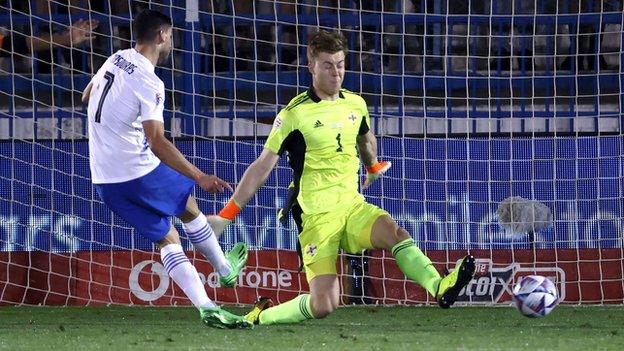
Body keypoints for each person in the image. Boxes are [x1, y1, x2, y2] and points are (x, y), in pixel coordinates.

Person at [208, 29, 476, 325]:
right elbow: (261, 167)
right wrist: (227, 215)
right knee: (324, 303)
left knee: (395, 233)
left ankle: (439, 287)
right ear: (311, 66)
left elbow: (365, 139)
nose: (336, 72)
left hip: (351, 206)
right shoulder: (294, 115)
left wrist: (372, 166)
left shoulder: (355, 104)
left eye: (340, 64)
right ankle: (258, 317)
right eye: (327, 65)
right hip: (317, 217)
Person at [82, 9, 251, 329]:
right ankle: (226, 271)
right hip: (137, 170)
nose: (171, 41)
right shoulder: (150, 81)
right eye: (171, 35)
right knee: (188, 204)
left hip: (105, 179)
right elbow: (157, 140)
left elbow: (87, 95)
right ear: (161, 36)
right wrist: (199, 176)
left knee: (168, 239)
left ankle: (207, 306)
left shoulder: (116, 57)